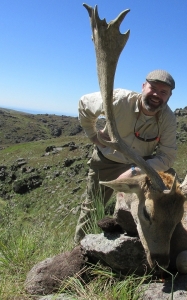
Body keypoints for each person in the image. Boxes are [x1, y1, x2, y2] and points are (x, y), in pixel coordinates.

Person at [74, 70, 177, 244]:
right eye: (153, 88)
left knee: (157, 204)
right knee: (92, 207)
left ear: (169, 96)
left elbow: (167, 156)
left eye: (163, 92)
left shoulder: (168, 119)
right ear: (143, 87)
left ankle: (144, 247)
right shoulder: (119, 100)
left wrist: (136, 170)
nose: (156, 95)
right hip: (107, 162)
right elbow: (84, 103)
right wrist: (93, 136)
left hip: (141, 166)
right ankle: (78, 251)